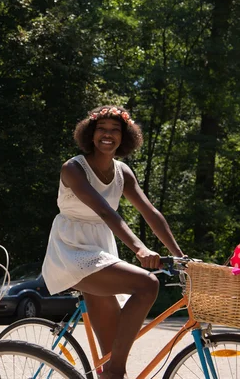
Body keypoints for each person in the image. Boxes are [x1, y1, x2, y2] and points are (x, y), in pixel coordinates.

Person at [42, 106, 184, 379]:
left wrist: (180, 255)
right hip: (70, 250)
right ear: (91, 135)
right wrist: (140, 249)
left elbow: (150, 212)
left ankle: (112, 371)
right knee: (147, 284)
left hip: (103, 249)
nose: (108, 135)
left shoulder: (123, 173)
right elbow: (105, 212)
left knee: (109, 352)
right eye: (102, 129)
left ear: (124, 137)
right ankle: (115, 373)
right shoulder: (73, 168)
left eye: (115, 130)